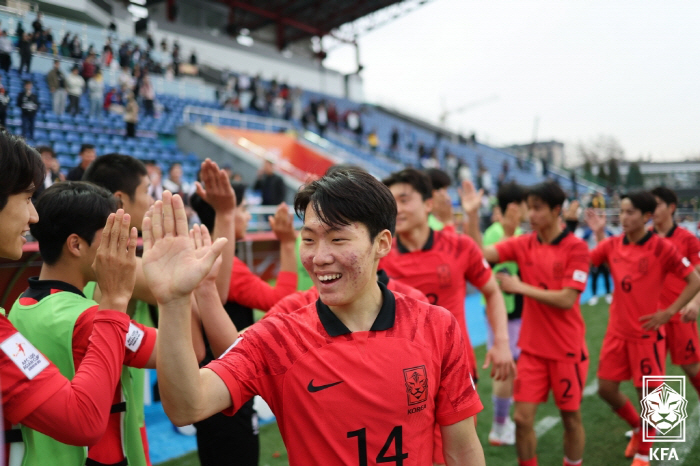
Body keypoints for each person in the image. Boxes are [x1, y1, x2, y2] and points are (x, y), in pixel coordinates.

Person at [144, 167, 487, 465]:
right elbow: (188, 406)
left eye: (338, 239)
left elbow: (462, 450)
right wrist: (173, 301)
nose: (319, 257)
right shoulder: (278, 336)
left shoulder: (436, 326)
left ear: (382, 243)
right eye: (308, 239)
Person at [0, 130, 137, 455]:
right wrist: (115, 303)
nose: (33, 216)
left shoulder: (20, 306)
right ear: (75, 243)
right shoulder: (84, 314)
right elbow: (83, 420)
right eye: (27, 198)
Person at [380, 168, 514, 466]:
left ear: (428, 204)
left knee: (456, 457)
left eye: (404, 199)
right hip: (398, 376)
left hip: (454, 368)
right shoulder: (378, 254)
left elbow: (492, 292)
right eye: (391, 201)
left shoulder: (459, 246)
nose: (397, 208)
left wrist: (501, 342)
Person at [465, 180, 590, 466]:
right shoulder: (524, 243)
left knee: (571, 419)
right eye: (528, 208)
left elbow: (567, 299)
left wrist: (520, 287)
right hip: (532, 349)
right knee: (521, 419)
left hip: (566, 350)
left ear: (556, 210)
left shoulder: (576, 248)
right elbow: (480, 255)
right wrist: (472, 215)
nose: (530, 215)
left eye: (537, 208)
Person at [586, 192, 700, 466]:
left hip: (658, 326)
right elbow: (596, 260)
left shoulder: (671, 244)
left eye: (630, 212)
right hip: (621, 331)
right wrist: (598, 234)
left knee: (681, 375)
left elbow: (694, 278)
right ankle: (639, 427)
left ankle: (643, 452)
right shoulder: (614, 243)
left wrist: (673, 310)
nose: (623, 217)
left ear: (649, 214)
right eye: (622, 212)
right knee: (605, 389)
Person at [190, 184, 298, 466]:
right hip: (227, 384)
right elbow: (282, 302)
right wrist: (287, 244)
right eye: (243, 209)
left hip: (213, 382)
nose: (248, 216)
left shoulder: (205, 260)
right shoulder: (226, 266)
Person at [479, 182, 528, 447]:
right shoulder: (495, 233)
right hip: (503, 311)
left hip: (517, 309)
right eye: (525, 205)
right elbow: (486, 268)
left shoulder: (519, 231)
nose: (528, 210)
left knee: (514, 367)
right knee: (505, 368)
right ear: (513, 207)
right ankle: (498, 427)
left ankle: (503, 421)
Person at [649, 186, 700, 398]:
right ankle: (654, 426)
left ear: (671, 208)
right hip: (651, 317)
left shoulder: (687, 239)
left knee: (692, 368)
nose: (652, 209)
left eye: (657, 204)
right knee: (651, 373)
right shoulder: (643, 237)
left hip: (679, 315)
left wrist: (695, 302)